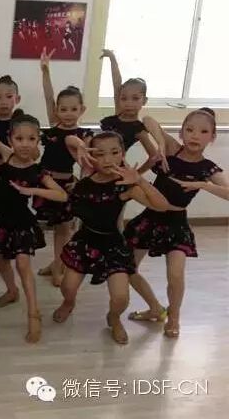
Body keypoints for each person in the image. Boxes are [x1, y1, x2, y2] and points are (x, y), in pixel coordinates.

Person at [52, 132, 168, 345]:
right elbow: (68, 139)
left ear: (122, 154)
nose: (107, 159)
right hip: (85, 242)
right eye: (100, 154)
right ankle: (69, 303)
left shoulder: (125, 185)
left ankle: (114, 317)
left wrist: (140, 180)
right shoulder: (84, 180)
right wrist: (81, 146)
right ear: (90, 156)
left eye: (114, 152)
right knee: (67, 287)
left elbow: (162, 206)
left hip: (113, 245)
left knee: (121, 297)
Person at [124, 109, 228, 338]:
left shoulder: (207, 168)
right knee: (127, 269)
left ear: (212, 137)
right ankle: (155, 308)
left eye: (203, 132)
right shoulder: (172, 149)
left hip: (176, 225)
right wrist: (161, 143)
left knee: (176, 275)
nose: (195, 135)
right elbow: (148, 119)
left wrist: (204, 185)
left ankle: (174, 317)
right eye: (189, 130)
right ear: (181, 133)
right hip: (150, 218)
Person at [0, 115, 68, 342]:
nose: (25, 144)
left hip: (22, 223)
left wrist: (33, 191)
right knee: (0, 260)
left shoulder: (37, 171)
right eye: (19, 138)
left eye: (31, 139)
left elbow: (61, 195)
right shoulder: (4, 160)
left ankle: (34, 314)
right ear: (10, 140)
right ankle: (12, 291)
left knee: (23, 265)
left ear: (38, 141)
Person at [35, 47, 94, 287]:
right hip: (46, 182)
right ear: (56, 110)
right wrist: (45, 70)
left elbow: (86, 165)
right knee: (52, 229)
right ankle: (55, 264)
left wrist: (81, 184)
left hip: (65, 185)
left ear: (82, 110)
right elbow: (48, 95)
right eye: (63, 109)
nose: (68, 114)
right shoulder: (53, 127)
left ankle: (58, 269)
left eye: (73, 109)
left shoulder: (83, 134)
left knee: (63, 230)